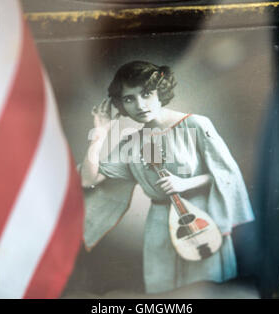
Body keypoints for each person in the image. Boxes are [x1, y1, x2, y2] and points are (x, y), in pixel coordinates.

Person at [79, 61, 254, 294]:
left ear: (160, 91)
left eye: (146, 94)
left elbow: (226, 175)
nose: (139, 105)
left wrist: (186, 183)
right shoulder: (132, 143)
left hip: (201, 221)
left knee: (205, 290)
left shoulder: (196, 125)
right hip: (160, 225)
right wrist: (99, 134)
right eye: (129, 99)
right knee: (164, 293)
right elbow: (89, 180)